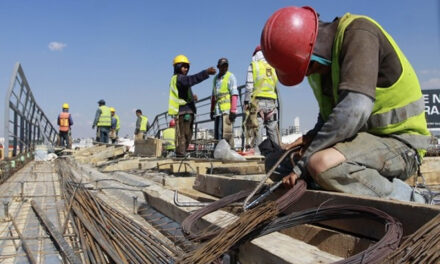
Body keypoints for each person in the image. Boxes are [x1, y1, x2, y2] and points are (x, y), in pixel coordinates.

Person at [261, 6, 431, 201]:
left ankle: (414, 200)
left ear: (310, 54)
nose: (308, 74)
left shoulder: (360, 34)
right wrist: (310, 138)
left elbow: (354, 110)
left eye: (307, 69)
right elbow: (328, 116)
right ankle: (330, 181)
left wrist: (303, 164)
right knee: (275, 164)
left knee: (320, 164)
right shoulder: (321, 65)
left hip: (401, 144)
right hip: (360, 142)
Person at [168, 54, 216, 157]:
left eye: (187, 67)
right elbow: (192, 79)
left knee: (187, 134)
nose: (185, 69)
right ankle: (181, 154)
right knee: (183, 135)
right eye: (183, 66)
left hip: (186, 110)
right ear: (177, 66)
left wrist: (192, 98)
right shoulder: (179, 78)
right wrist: (206, 72)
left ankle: (181, 153)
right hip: (183, 111)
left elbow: (181, 93)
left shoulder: (179, 79)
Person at [244, 45, 280, 154]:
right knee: (273, 130)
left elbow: (249, 85)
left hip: (257, 103)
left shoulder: (254, 65)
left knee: (257, 129)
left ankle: (258, 154)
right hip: (272, 103)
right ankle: (278, 154)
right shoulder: (273, 66)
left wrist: (246, 101)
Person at [210, 58, 238, 148]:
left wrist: (233, 111)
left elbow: (234, 94)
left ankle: (225, 152)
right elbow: (214, 96)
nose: (224, 68)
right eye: (222, 66)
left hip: (226, 111)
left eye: (226, 66)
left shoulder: (230, 76)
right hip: (217, 111)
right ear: (218, 67)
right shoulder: (215, 79)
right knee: (217, 133)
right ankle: (218, 152)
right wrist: (212, 110)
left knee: (225, 133)